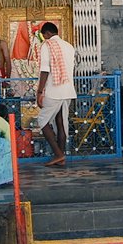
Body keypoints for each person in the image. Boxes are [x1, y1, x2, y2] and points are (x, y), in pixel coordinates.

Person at [36, 22, 76, 167]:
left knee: (42, 121)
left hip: (54, 90)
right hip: (68, 90)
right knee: (60, 121)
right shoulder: (69, 46)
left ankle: (58, 154)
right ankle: (61, 156)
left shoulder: (47, 45)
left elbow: (45, 69)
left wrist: (40, 91)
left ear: (46, 34)